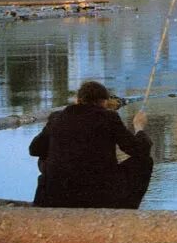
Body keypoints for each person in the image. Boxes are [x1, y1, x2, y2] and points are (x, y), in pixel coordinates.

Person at [30, 80, 153, 209]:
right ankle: (125, 209)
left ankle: (46, 198)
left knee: (44, 155)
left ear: (77, 100)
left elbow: (34, 149)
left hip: (55, 195)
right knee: (145, 161)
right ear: (104, 102)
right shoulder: (109, 118)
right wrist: (139, 127)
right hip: (98, 195)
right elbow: (140, 150)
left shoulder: (56, 117)